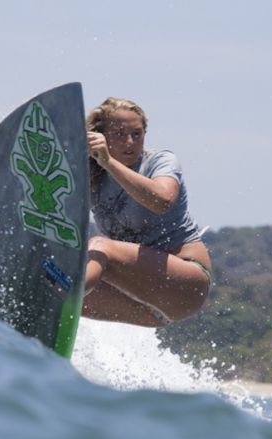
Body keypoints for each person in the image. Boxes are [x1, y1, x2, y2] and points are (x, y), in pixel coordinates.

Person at [82, 97, 212, 327]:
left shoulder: (161, 161)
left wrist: (109, 162)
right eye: (120, 134)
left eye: (137, 133)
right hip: (140, 303)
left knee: (100, 246)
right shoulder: (92, 172)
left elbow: (162, 201)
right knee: (53, 279)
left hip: (184, 286)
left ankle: (71, 292)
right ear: (100, 137)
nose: (130, 141)